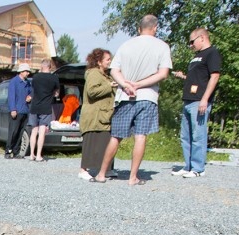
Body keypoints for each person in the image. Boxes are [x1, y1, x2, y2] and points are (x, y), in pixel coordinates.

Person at [93, 15, 172, 185]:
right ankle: (132, 177)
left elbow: (114, 70)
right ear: (155, 28)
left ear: (139, 28)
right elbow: (163, 73)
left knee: (116, 136)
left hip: (124, 96)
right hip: (147, 96)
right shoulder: (162, 47)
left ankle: (101, 174)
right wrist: (139, 84)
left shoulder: (126, 45)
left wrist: (125, 84)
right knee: (140, 136)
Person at [172, 28, 221, 177]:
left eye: (191, 42)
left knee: (198, 135)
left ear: (202, 38)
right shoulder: (197, 57)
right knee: (185, 136)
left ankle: (198, 168)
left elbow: (214, 77)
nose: (190, 45)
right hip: (188, 100)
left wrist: (205, 99)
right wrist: (183, 77)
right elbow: (198, 79)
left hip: (200, 101)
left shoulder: (212, 53)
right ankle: (188, 166)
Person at [78, 49, 115, 180]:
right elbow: (92, 91)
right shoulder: (93, 73)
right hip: (93, 116)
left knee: (106, 141)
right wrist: (109, 86)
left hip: (103, 115)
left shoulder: (105, 75)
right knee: (91, 142)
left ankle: (106, 169)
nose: (110, 61)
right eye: (107, 59)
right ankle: (83, 170)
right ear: (99, 62)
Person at [27, 59, 59, 161]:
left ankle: (31, 154)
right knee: (41, 132)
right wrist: (52, 94)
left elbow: (34, 90)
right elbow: (57, 94)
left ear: (42, 66)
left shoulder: (35, 77)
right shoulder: (54, 78)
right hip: (46, 107)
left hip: (34, 107)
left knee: (33, 131)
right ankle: (39, 155)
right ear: (50, 67)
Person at [5, 63, 33, 159]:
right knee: (13, 132)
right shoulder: (14, 82)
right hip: (16, 110)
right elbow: (11, 96)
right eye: (26, 71)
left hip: (25, 110)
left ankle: (16, 151)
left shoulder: (28, 83)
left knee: (20, 132)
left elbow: (31, 92)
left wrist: (30, 97)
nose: (28, 73)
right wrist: (13, 109)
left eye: (28, 71)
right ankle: (8, 151)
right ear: (21, 72)